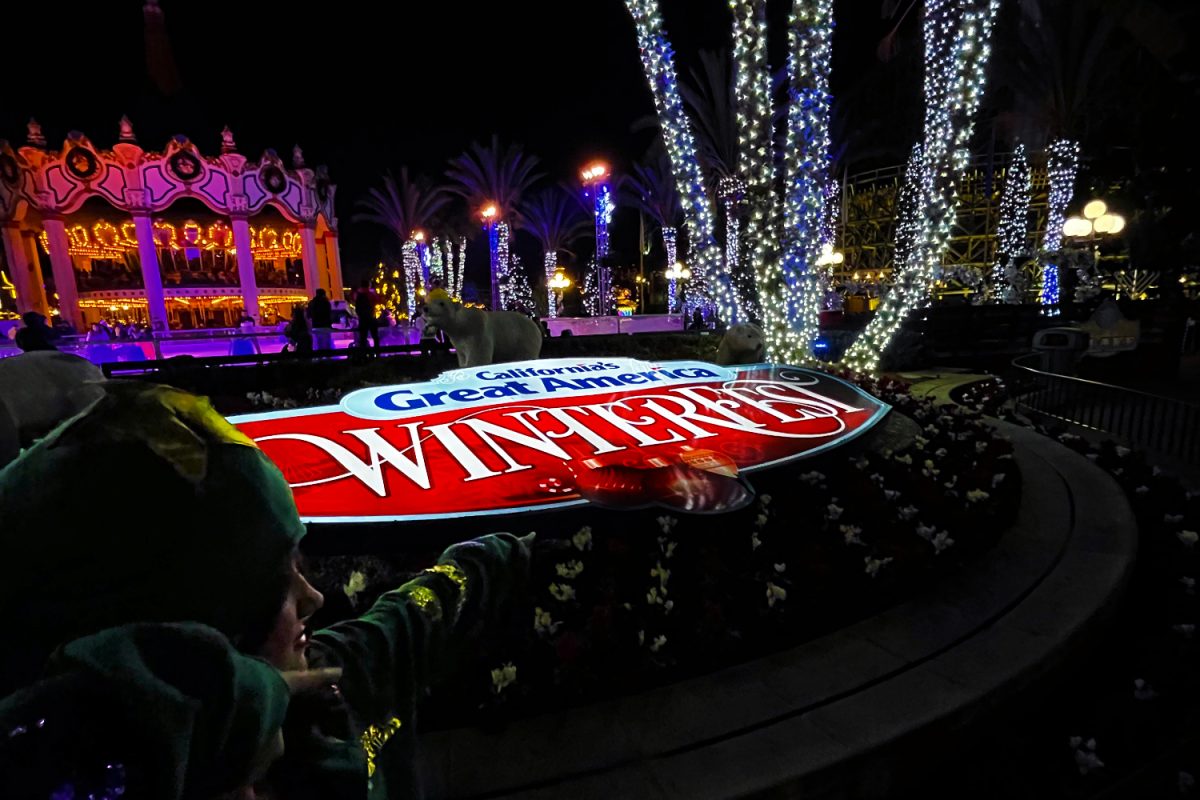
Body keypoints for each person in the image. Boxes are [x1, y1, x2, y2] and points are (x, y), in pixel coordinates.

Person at [0, 382, 533, 797]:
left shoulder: (334, 683)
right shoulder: (63, 763)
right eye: (277, 579)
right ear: (198, 621)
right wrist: (232, 712)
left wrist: (518, 548)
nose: (313, 597)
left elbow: (420, 613)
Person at [354, 280, 380, 352]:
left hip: (362, 319)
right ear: (369, 285)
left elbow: (357, 307)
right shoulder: (370, 294)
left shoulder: (358, 295)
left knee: (363, 338)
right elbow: (377, 301)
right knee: (375, 336)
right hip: (371, 318)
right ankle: (377, 353)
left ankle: (363, 354)